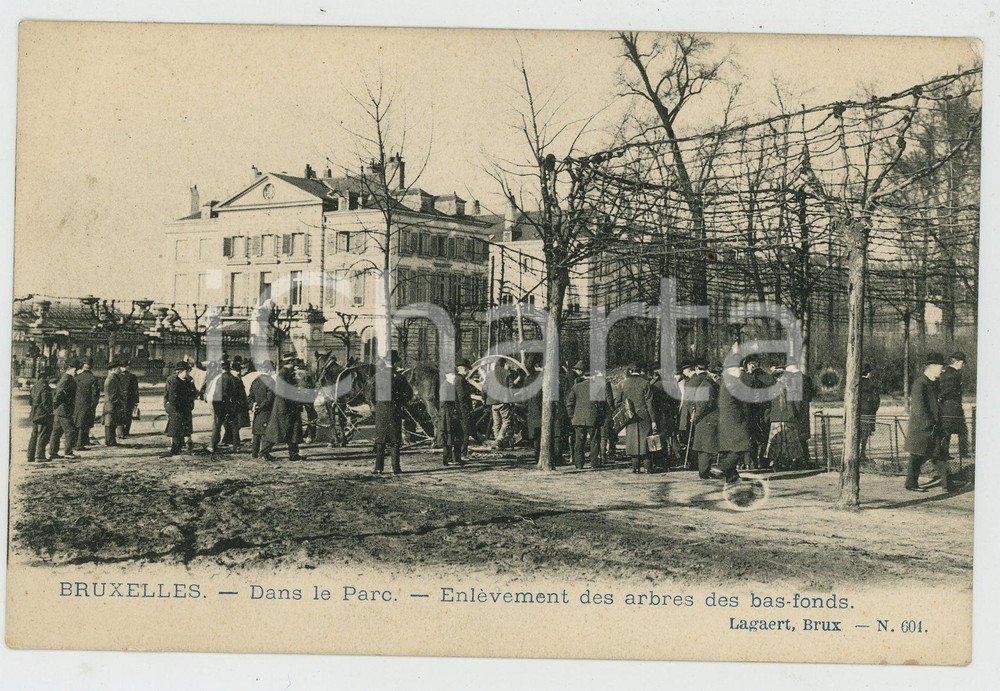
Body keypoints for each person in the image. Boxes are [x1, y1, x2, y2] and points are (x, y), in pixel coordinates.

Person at [905, 352, 955, 493]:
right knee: (918, 456)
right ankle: (912, 483)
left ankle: (947, 485)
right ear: (931, 366)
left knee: (938, 455)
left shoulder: (934, 383)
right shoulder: (920, 384)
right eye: (940, 367)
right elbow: (919, 408)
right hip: (922, 429)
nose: (943, 370)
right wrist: (930, 424)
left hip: (932, 427)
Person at [372, 352, 413, 474]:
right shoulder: (399, 377)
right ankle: (396, 468)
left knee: (380, 440)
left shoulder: (378, 376)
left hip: (381, 411)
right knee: (395, 441)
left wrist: (378, 404)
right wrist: (400, 403)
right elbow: (408, 394)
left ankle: (378, 468)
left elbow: (372, 394)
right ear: (395, 363)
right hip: (394, 410)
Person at [260, 357, 305, 462]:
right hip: (283, 408)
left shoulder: (288, 373)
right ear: (289, 362)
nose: (295, 366)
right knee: (276, 430)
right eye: (294, 363)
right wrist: (284, 409)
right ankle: (264, 453)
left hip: (291, 406)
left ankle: (294, 454)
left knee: (293, 430)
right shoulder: (283, 374)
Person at [616, 361, 657, 473]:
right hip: (644, 415)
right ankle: (648, 468)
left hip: (630, 416)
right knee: (645, 441)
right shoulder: (646, 383)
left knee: (632, 440)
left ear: (630, 371)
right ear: (640, 371)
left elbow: (618, 402)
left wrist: (625, 411)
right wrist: (653, 420)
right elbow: (650, 404)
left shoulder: (623, 384)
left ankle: (635, 467)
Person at [565, 365, 609, 469]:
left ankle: (579, 464)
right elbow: (601, 404)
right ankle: (594, 463)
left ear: (584, 376)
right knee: (594, 441)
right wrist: (600, 417)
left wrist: (572, 416)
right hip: (593, 418)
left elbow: (569, 404)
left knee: (579, 441)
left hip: (578, 418)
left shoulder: (575, 387)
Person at [715, 363, 750, 484]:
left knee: (729, 447)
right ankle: (723, 468)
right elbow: (743, 402)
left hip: (725, 418)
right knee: (743, 445)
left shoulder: (725, 381)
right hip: (735, 418)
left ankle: (732, 476)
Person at [162, 361, 198, 457]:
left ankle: (183, 444)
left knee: (184, 427)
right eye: (187, 371)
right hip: (176, 408)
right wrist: (168, 406)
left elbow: (193, 392)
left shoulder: (189, 380)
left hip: (185, 408)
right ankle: (175, 448)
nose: (188, 373)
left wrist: (190, 402)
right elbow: (171, 396)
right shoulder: (173, 381)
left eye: (189, 371)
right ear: (180, 372)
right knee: (176, 428)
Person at [691, 361, 720, 479]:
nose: (718, 376)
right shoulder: (707, 386)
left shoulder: (709, 384)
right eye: (716, 374)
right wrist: (696, 418)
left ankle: (705, 470)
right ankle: (703, 472)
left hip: (707, 419)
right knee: (706, 447)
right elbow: (702, 405)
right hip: (706, 420)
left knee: (707, 446)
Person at [938, 351, 968, 461]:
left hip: (944, 406)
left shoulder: (944, 373)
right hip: (953, 405)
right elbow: (949, 389)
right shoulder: (955, 375)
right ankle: (963, 453)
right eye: (962, 363)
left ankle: (944, 453)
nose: (962, 365)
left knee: (946, 430)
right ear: (957, 362)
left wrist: (940, 399)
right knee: (963, 430)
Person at [744, 355, 773, 470]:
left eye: (754, 364)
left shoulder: (762, 377)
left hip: (760, 411)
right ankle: (754, 461)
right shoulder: (747, 377)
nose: (753, 366)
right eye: (750, 364)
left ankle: (759, 461)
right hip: (754, 412)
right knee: (754, 438)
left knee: (759, 438)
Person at [49, 360, 79, 459]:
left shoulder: (67, 378)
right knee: (70, 431)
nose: (76, 371)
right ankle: (68, 452)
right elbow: (58, 394)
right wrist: (55, 405)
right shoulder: (66, 379)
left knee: (57, 432)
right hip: (64, 409)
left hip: (60, 409)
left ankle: (53, 452)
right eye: (75, 369)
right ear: (69, 369)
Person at [436, 368, 465, 467]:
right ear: (447, 375)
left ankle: (457, 458)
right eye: (451, 374)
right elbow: (444, 403)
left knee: (457, 437)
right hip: (447, 415)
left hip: (453, 415)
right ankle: (447, 459)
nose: (453, 376)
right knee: (448, 437)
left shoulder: (451, 386)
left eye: (454, 374)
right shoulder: (445, 386)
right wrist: (453, 411)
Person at [247, 359, 276, 458]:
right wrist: (261, 406)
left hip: (257, 411)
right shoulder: (271, 381)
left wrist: (253, 406)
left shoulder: (256, 381)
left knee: (257, 432)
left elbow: (250, 397)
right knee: (267, 432)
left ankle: (254, 453)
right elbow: (270, 398)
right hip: (266, 410)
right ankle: (264, 453)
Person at [27, 369, 55, 463]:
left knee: (34, 436)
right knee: (43, 435)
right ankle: (40, 455)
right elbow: (46, 403)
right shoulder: (45, 387)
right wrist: (51, 412)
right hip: (43, 415)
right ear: (47, 377)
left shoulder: (34, 386)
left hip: (34, 414)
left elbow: (30, 401)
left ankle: (30, 456)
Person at [73, 360, 100, 450]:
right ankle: (80, 444)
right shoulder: (93, 378)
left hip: (76, 403)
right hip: (87, 404)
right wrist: (94, 404)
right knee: (84, 423)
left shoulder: (76, 377)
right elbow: (95, 394)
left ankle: (76, 442)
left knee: (77, 422)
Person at [859, 363, 881, 461]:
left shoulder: (856, 383)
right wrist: (874, 409)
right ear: (868, 373)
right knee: (865, 434)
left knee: (857, 433)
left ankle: (855, 453)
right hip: (868, 412)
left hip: (857, 412)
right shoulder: (871, 384)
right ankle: (862, 453)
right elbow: (876, 400)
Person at [455, 358, 477, 453]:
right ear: (463, 369)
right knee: (465, 432)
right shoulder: (460, 380)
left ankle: (461, 453)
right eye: (468, 369)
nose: (468, 372)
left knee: (462, 432)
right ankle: (463, 453)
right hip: (462, 410)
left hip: (459, 409)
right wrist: (467, 410)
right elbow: (462, 396)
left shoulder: (457, 379)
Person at [294, 358, 318, 443]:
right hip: (309, 397)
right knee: (312, 415)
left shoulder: (294, 373)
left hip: (297, 397)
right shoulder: (309, 373)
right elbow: (314, 386)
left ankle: (297, 436)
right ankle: (311, 435)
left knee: (296, 417)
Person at [102, 361, 125, 447]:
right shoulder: (111, 379)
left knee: (112, 423)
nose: (120, 370)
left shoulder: (113, 377)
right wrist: (119, 402)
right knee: (110, 423)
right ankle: (110, 441)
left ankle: (111, 440)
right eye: (118, 368)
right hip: (111, 405)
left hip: (111, 405)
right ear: (114, 369)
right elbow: (112, 395)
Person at [118, 360, 141, 440]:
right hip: (127, 400)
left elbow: (135, 390)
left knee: (122, 415)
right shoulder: (132, 376)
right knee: (127, 416)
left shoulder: (118, 376)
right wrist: (136, 401)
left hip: (122, 399)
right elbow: (135, 390)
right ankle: (125, 432)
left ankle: (122, 432)